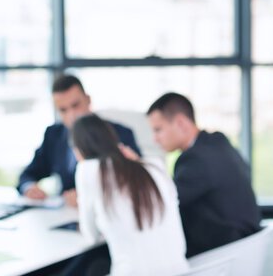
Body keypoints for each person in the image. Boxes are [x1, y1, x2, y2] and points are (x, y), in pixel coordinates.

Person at [65, 114, 188, 276]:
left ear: (78, 150)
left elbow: (91, 236)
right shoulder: (155, 165)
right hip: (181, 271)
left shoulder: (88, 169)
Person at [147, 92, 261, 257]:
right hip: (244, 245)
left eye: (158, 130)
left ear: (181, 123)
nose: (155, 139)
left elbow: (166, 201)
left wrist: (138, 171)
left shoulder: (195, 159)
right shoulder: (217, 142)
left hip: (221, 252)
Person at [17, 74, 141, 206]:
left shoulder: (120, 134)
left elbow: (139, 180)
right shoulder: (54, 135)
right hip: (65, 214)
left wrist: (91, 195)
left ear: (88, 100)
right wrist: (29, 188)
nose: (72, 115)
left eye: (75, 105)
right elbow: (28, 175)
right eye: (63, 110)